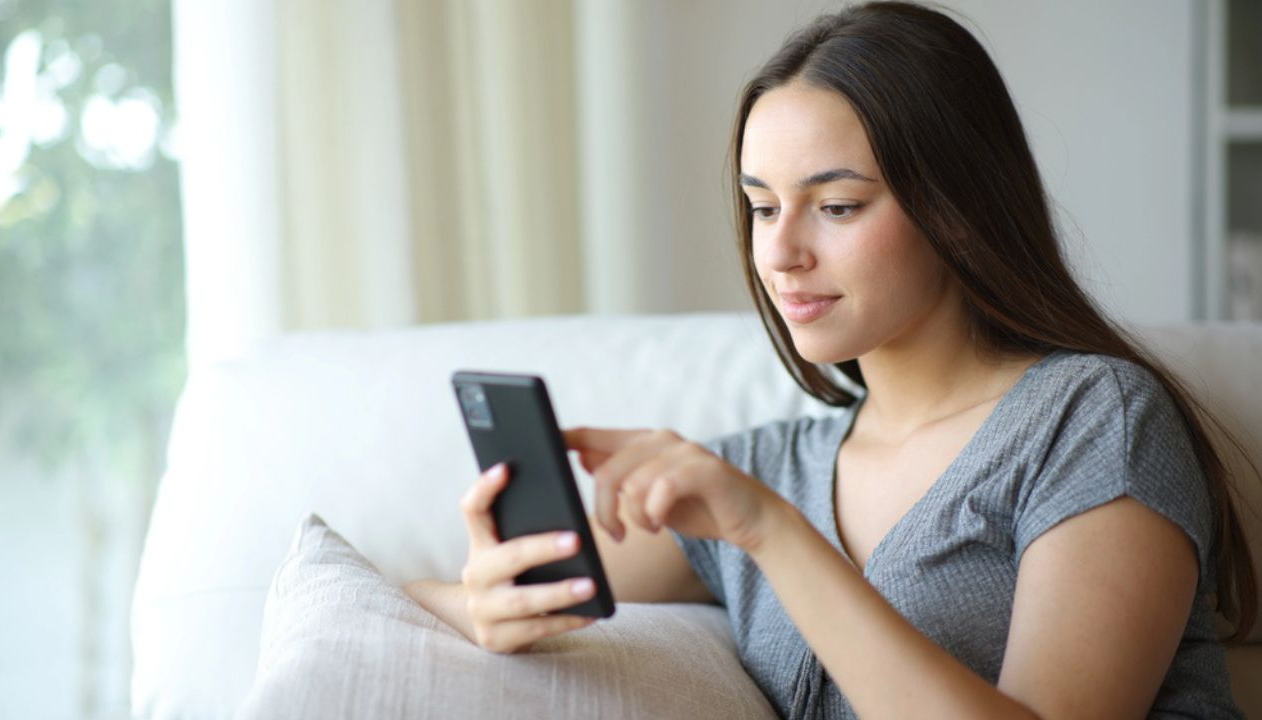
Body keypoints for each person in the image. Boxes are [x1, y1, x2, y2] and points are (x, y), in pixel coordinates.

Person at [407, 2, 1256, 717]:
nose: (779, 253)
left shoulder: (1092, 418)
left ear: (956, 206)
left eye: (838, 205)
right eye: (761, 206)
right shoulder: (766, 468)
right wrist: (480, 600)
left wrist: (768, 530)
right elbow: (426, 594)